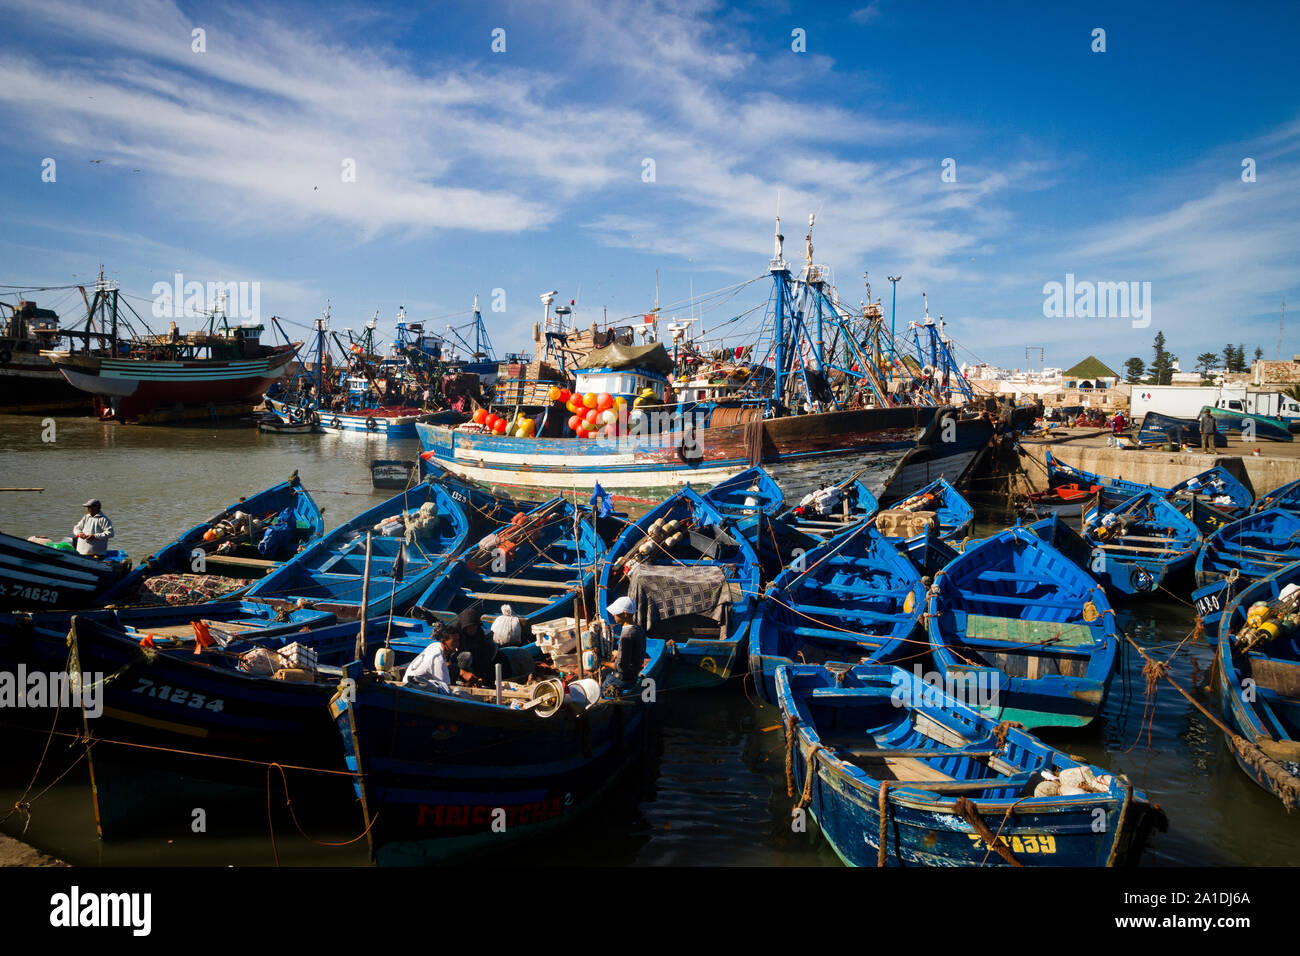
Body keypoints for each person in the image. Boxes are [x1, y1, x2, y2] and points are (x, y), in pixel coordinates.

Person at [599, 596, 647, 698]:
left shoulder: (626, 636)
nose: (613, 614)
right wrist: (617, 654)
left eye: (616, 612)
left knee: (599, 693)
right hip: (633, 675)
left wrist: (603, 662)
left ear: (625, 614)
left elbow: (621, 667)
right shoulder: (638, 629)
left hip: (622, 680)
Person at [402, 625, 458, 692]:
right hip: (413, 687)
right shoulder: (438, 659)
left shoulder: (435, 645)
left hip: (409, 681)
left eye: (458, 640)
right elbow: (446, 688)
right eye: (454, 641)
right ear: (443, 641)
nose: (457, 644)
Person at [455, 607, 498, 682]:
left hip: (474, 662)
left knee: (492, 646)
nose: (472, 629)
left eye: (474, 626)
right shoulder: (456, 634)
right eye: (469, 627)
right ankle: (460, 680)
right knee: (466, 656)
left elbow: (485, 654)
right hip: (458, 666)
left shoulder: (479, 634)